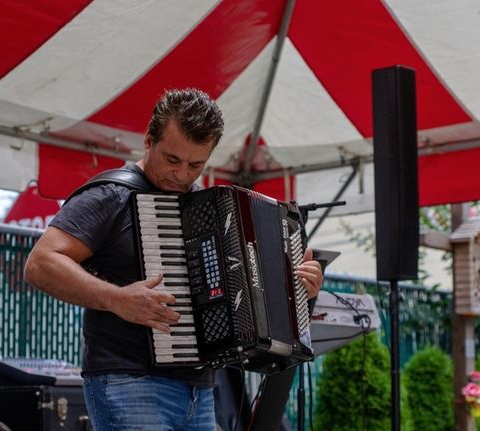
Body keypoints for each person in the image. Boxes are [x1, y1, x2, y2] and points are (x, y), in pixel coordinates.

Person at [24, 88, 324, 430]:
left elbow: (241, 298)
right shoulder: (110, 195)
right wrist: (117, 299)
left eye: (196, 165)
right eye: (172, 160)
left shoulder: (209, 207)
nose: (182, 176)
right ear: (148, 142)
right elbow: (41, 263)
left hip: (201, 391)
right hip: (128, 382)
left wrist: (297, 289)